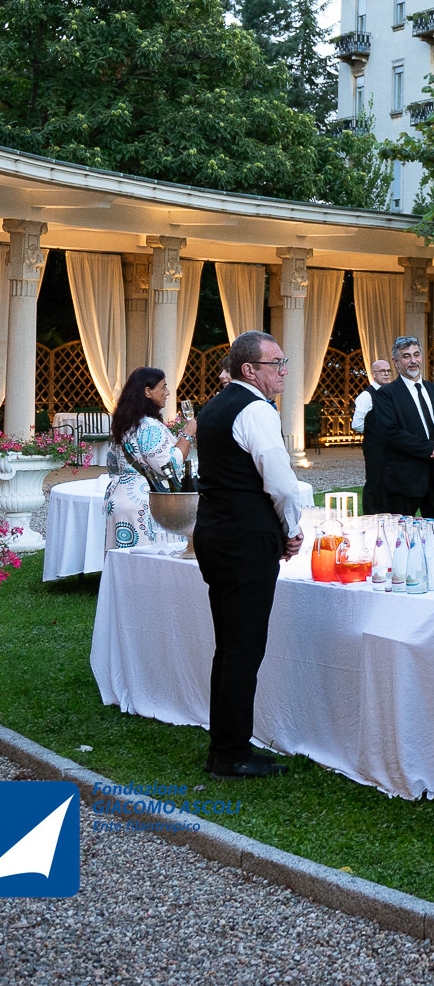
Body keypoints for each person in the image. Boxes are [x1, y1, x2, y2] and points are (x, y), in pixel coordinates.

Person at [192, 331, 310, 778]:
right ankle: (232, 754)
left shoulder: (213, 406)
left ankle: (223, 746)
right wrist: (292, 529)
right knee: (242, 649)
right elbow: (281, 484)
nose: (283, 371)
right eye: (276, 363)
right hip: (244, 541)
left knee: (229, 647)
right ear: (249, 370)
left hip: (215, 534)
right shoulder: (256, 410)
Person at [368, 335, 434, 518]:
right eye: (406, 356)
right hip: (403, 482)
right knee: (399, 533)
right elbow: (391, 433)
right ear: (396, 362)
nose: (413, 360)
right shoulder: (386, 394)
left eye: (416, 354)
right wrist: (431, 448)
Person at [105, 366, 192, 552]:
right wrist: (187, 435)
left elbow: (112, 463)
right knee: (148, 561)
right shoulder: (149, 426)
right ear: (147, 391)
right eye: (163, 387)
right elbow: (169, 466)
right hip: (145, 504)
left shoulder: (125, 423)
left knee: (123, 559)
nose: (167, 392)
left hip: (120, 499)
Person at [351, 357, 393, 514]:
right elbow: (356, 424)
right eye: (382, 371)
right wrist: (375, 430)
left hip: (391, 445)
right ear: (374, 374)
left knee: (390, 479)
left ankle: (387, 513)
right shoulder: (366, 396)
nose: (386, 374)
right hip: (374, 445)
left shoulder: (391, 393)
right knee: (375, 480)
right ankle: (370, 515)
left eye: (388, 371)